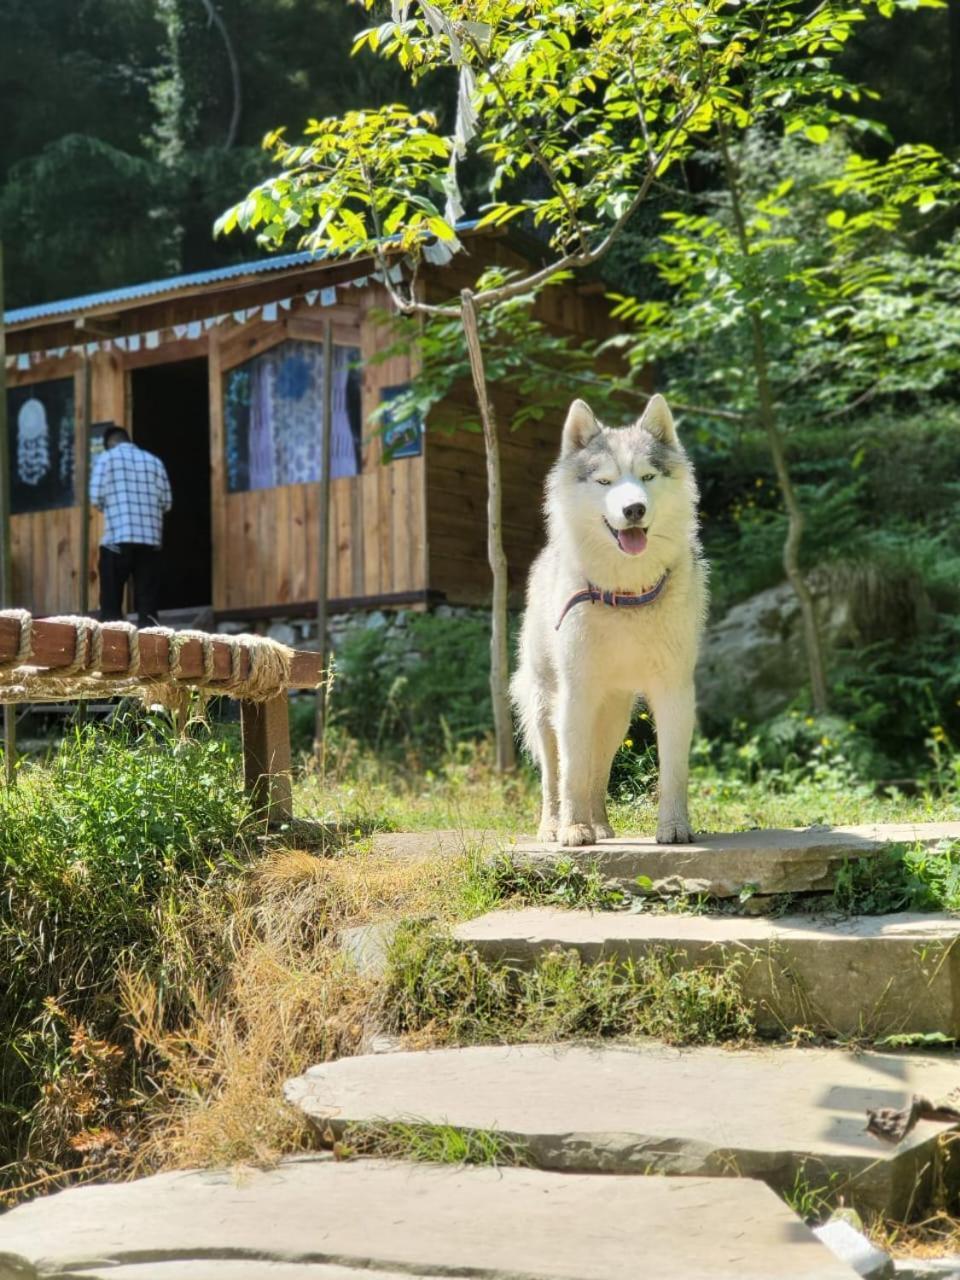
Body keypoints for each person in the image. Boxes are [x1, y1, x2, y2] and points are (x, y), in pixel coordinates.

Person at [90, 426, 172, 627]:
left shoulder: (106, 460)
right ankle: (152, 647)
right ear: (128, 440)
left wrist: (113, 507)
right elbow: (167, 502)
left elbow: (96, 497)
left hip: (117, 541)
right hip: (149, 542)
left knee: (111, 607)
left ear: (109, 443)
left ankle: (112, 646)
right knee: (148, 606)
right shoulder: (154, 462)